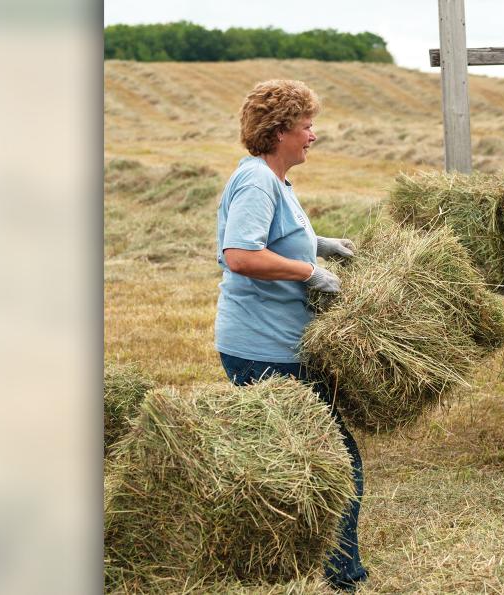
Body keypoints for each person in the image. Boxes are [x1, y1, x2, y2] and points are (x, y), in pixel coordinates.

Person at [215, 79, 368, 592]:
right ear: (280, 131)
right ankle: (340, 574)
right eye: (306, 127)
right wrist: (309, 274)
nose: (313, 136)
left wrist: (320, 246)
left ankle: (278, 562)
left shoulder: (274, 180)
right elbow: (240, 254)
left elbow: (274, 236)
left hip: (275, 344)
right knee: (336, 462)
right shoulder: (258, 182)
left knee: (290, 460)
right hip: (264, 349)